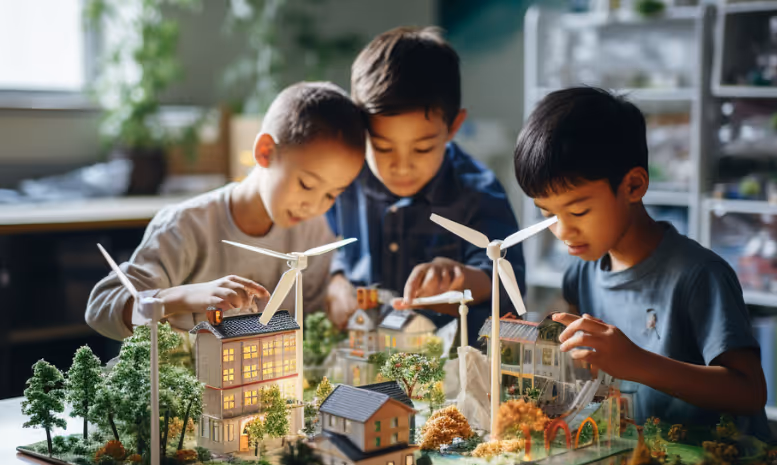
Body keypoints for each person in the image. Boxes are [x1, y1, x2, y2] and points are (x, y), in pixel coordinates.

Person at [514, 86, 769, 438]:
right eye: (548, 214)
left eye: (578, 210)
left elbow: (751, 392)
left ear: (633, 186)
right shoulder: (581, 272)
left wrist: (636, 363)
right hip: (645, 456)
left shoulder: (699, 276)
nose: (562, 230)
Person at [87, 81, 366, 341]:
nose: (315, 206)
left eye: (332, 194)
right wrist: (181, 298)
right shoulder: (184, 226)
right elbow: (101, 308)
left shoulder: (315, 234)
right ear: (265, 152)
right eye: (306, 184)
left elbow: (313, 325)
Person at [326, 26, 525, 343]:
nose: (401, 165)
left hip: (449, 364)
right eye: (383, 147)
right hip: (365, 350)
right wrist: (336, 282)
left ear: (453, 127)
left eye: (422, 149)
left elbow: (508, 285)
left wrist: (457, 278)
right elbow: (337, 246)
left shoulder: (478, 192)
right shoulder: (348, 180)